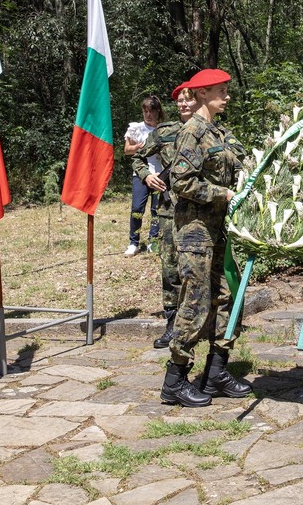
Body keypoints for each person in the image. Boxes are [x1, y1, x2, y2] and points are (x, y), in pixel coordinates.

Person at [161, 68, 251, 407]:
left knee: (225, 298)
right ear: (201, 94)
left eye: (226, 90)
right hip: (195, 231)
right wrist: (223, 194)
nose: (226, 96)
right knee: (195, 301)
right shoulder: (192, 133)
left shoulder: (218, 132)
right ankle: (175, 379)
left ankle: (216, 372)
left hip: (219, 229)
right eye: (220, 91)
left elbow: (234, 166)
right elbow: (181, 182)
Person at [132, 82, 196, 348]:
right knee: (170, 269)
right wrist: (147, 176)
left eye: (188, 99)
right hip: (169, 212)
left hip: (200, 212)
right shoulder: (165, 131)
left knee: (197, 269)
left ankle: (199, 322)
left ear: (199, 100)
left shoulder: (211, 131)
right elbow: (137, 158)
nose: (183, 104)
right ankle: (172, 324)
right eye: (179, 100)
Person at [123, 95, 166, 256]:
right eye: (145, 111)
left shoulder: (163, 129)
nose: (148, 114)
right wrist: (142, 146)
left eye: (151, 111)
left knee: (156, 209)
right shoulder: (136, 128)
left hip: (159, 174)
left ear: (158, 111)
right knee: (137, 208)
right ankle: (133, 242)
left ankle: (152, 241)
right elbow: (127, 150)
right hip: (140, 174)